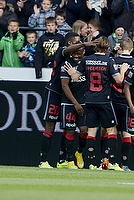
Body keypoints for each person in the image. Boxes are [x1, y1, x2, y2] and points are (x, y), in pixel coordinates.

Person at [64, 36, 128, 170]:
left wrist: (71, 73)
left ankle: (91, 163)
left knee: (91, 131)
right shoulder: (109, 61)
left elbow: (75, 78)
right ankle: (110, 161)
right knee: (111, 130)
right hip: (104, 100)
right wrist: (122, 70)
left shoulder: (86, 60)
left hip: (89, 100)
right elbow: (119, 80)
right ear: (107, 48)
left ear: (95, 47)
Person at [38, 31, 98, 168]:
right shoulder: (61, 51)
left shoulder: (78, 57)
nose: (80, 43)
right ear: (70, 43)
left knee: (68, 128)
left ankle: (63, 160)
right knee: (50, 127)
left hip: (68, 95)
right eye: (77, 41)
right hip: (54, 92)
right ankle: (43, 160)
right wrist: (83, 43)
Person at [110, 38, 134, 171]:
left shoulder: (112, 61)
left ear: (120, 47)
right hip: (130, 102)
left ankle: (110, 161)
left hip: (113, 99)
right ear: (132, 49)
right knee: (127, 133)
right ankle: (125, 164)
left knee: (111, 131)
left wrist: (113, 52)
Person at [60, 47, 87, 169]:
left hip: (84, 102)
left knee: (84, 130)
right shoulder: (66, 64)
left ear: (84, 52)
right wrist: (76, 103)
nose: (76, 55)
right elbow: (65, 86)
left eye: (79, 52)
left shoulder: (87, 63)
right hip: (69, 102)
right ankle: (70, 161)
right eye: (74, 53)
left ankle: (79, 152)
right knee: (70, 130)